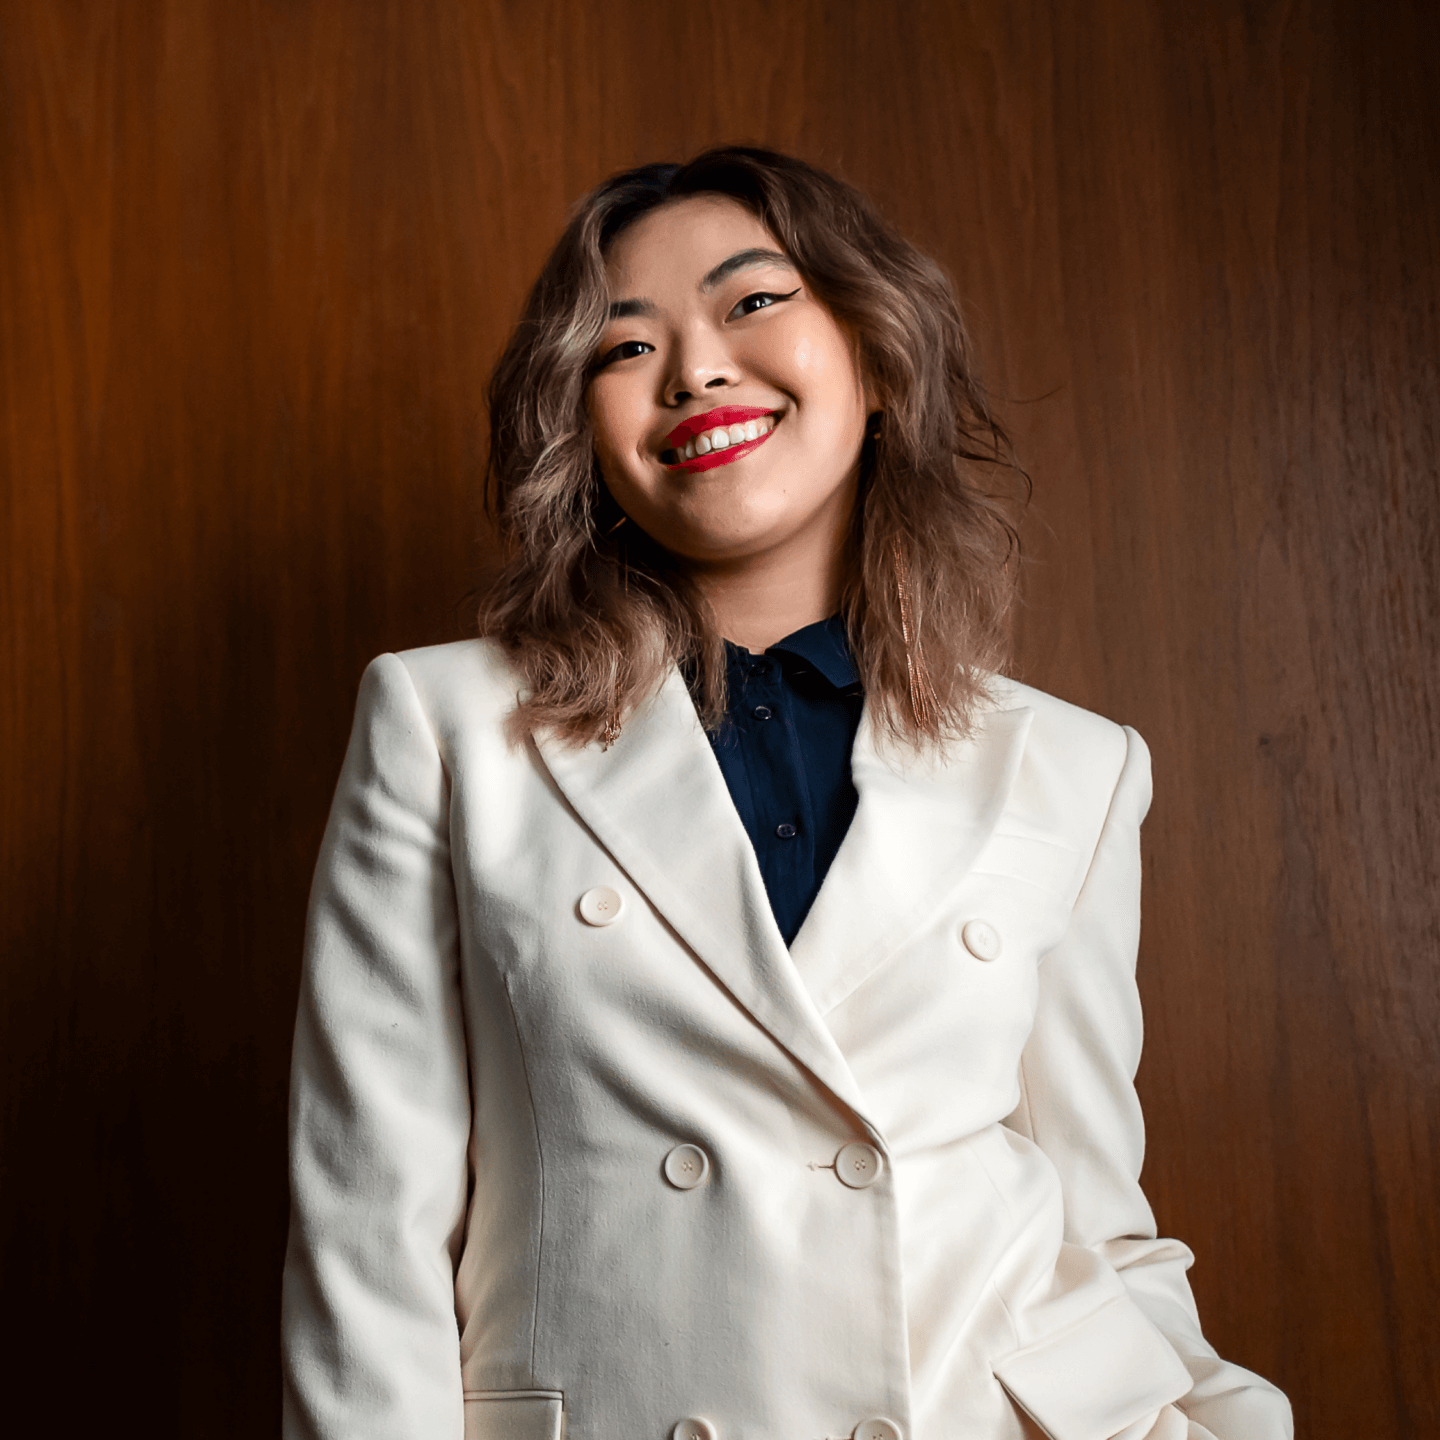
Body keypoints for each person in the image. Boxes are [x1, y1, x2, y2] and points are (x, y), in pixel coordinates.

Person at [281, 147, 1292, 1440]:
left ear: (873, 359)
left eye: (752, 302)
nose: (696, 368)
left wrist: (1220, 1420)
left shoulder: (1076, 769)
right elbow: (369, 1226)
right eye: (620, 346)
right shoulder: (444, 725)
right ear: (581, 434)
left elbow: (1096, 1218)